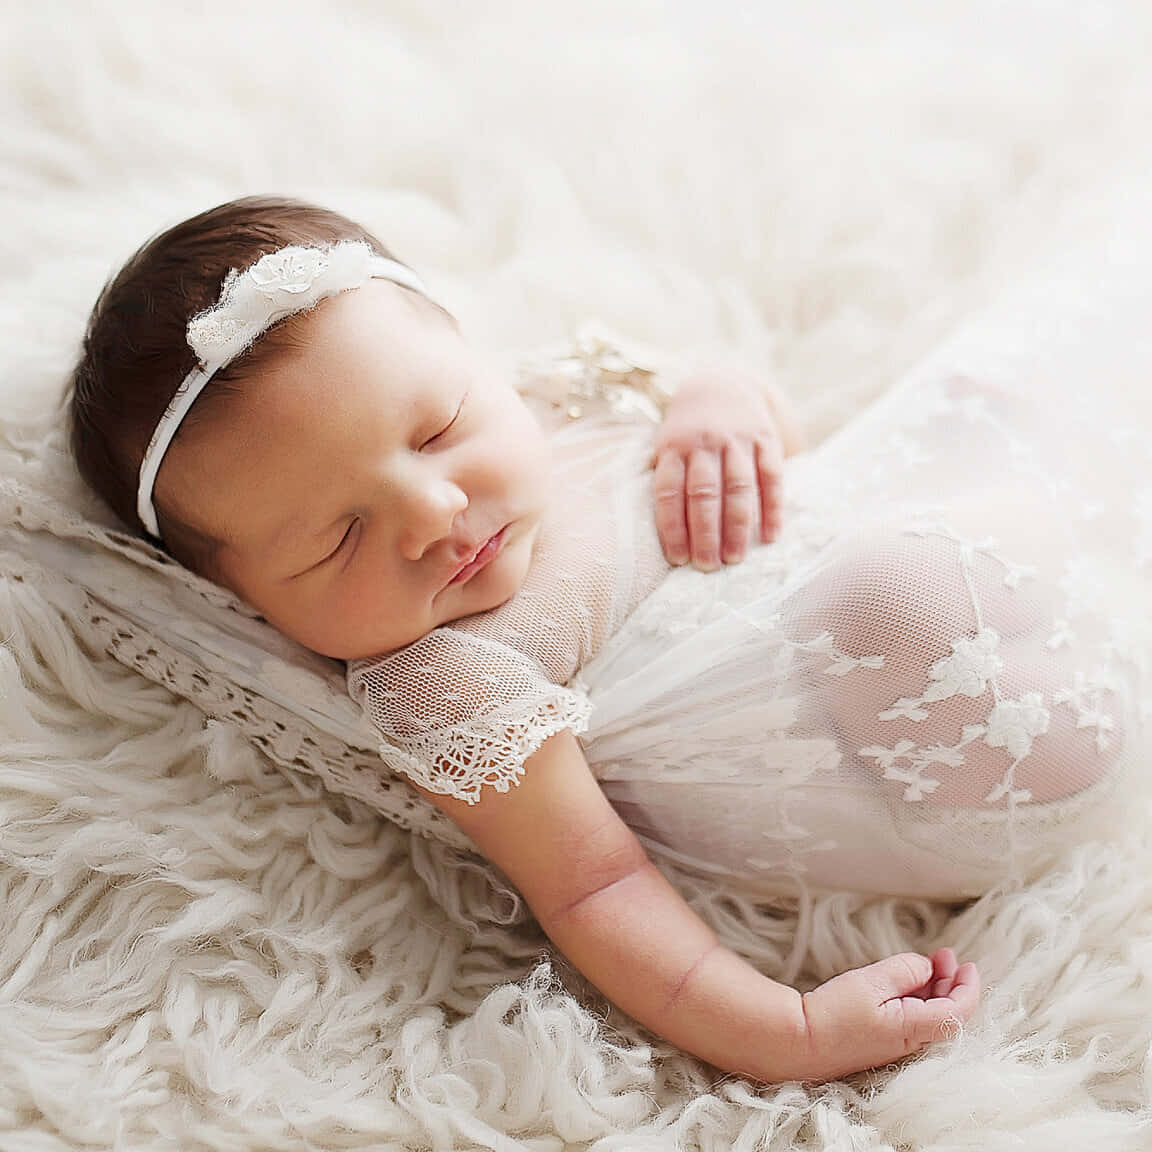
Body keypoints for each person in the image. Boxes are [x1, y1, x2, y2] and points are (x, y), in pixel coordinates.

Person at [65, 194, 1151, 1085]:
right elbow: (594, 887)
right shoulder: (443, 679)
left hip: (975, 596)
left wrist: (720, 409)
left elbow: (753, 415)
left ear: (470, 356)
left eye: (440, 427)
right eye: (337, 538)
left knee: (983, 395)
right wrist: (789, 1030)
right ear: (249, 601)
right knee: (886, 587)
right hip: (955, 764)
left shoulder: (563, 402)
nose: (436, 514)